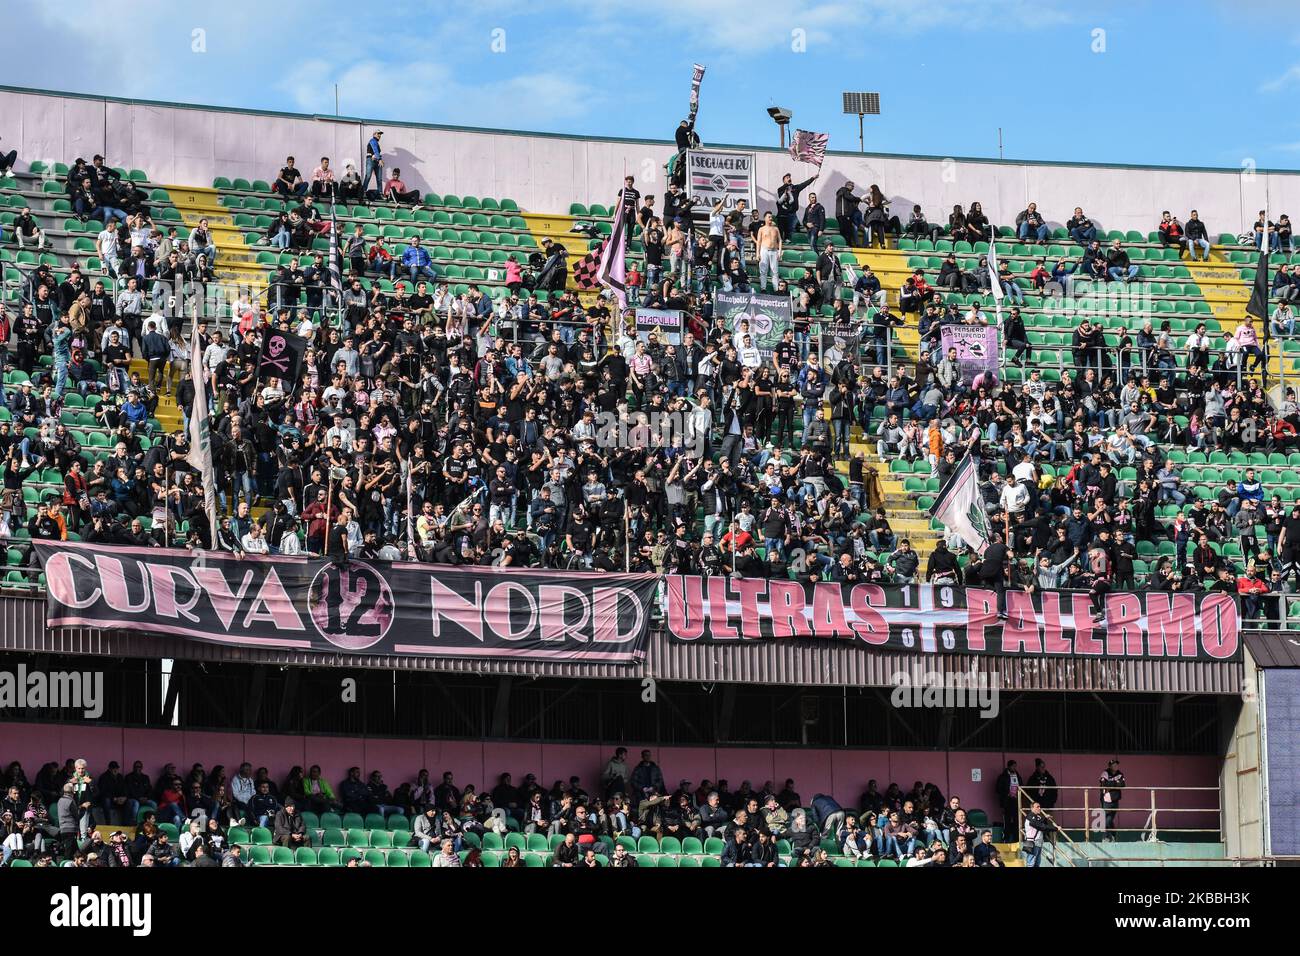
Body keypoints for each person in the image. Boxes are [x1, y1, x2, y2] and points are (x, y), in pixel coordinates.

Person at [1099, 759, 1125, 841]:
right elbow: (1104, 784)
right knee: (1107, 819)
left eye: (1116, 765)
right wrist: (1116, 783)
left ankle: (1112, 835)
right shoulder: (1105, 773)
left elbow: (1123, 784)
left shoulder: (1120, 774)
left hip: (1115, 799)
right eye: (1113, 765)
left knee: (1110, 819)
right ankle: (1107, 837)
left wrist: (1111, 784)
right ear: (1109, 766)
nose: (1115, 766)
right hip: (1106, 799)